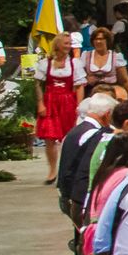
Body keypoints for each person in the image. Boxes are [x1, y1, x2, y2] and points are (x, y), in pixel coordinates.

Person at [36, 32, 82, 179]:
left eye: (70, 44)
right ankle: (52, 169)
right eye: (66, 43)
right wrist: (40, 103)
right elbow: (37, 84)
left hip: (68, 102)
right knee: (49, 137)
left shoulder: (74, 64)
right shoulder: (46, 63)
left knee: (69, 137)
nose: (69, 46)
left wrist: (79, 106)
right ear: (58, 45)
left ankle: (68, 168)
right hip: (50, 102)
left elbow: (80, 85)